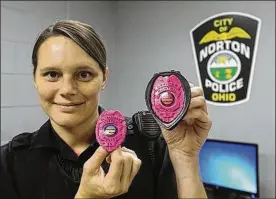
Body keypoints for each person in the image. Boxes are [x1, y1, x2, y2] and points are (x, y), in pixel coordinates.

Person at [0, 19, 212, 199]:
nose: (67, 90)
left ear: (104, 78)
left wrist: (185, 157)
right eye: (52, 74)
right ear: (35, 78)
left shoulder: (151, 143)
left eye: (84, 74)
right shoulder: (9, 162)